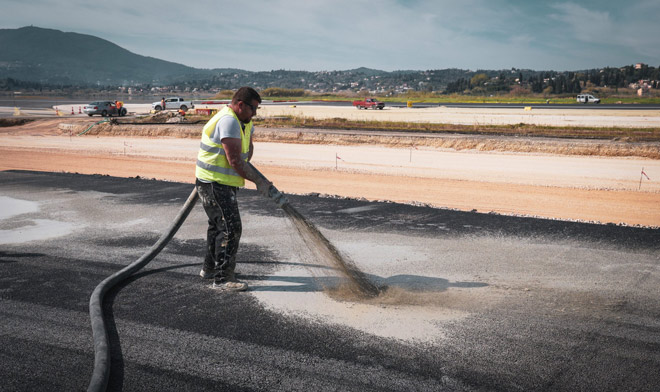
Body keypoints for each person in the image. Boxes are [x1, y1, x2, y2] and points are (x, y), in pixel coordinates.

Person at [195, 87, 269, 291]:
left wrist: (250, 170)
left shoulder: (244, 121)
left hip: (224, 182)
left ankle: (210, 269)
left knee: (217, 226)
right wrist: (260, 181)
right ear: (240, 105)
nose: (255, 113)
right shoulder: (228, 121)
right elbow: (235, 160)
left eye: (257, 109)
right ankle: (222, 279)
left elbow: (246, 150)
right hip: (213, 183)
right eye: (252, 108)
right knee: (231, 228)